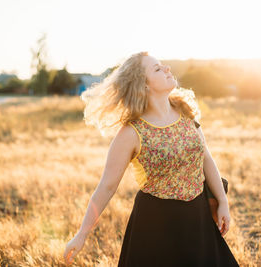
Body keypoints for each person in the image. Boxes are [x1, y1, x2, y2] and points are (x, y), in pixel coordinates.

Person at [63, 51, 239, 266]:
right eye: (157, 68)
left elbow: (206, 159)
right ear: (143, 84)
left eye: (163, 65)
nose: (167, 69)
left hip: (198, 217)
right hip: (155, 226)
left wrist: (222, 202)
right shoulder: (130, 134)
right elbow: (106, 187)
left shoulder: (185, 112)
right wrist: (81, 234)